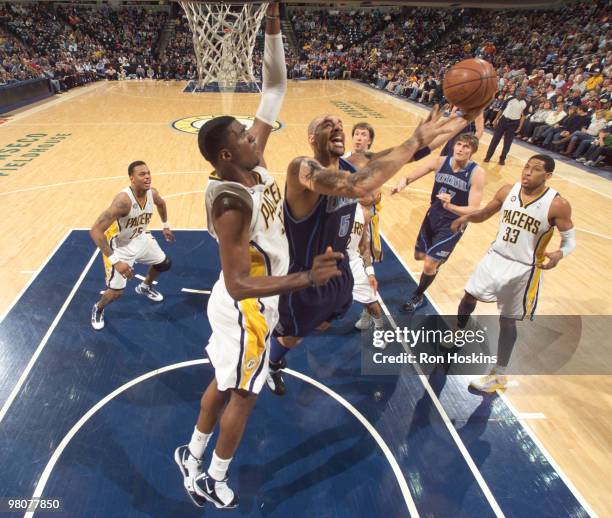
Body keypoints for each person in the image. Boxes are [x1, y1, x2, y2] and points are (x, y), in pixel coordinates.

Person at [172, 5, 340, 509]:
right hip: (247, 308)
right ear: (227, 155)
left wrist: (271, 27)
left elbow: (274, 89)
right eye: (246, 138)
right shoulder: (230, 203)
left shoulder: (250, 164)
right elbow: (241, 282)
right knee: (243, 396)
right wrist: (305, 278)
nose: (255, 135)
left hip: (241, 304)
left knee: (222, 382)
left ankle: (193, 453)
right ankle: (214, 478)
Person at [266, 107, 473, 396]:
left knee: (325, 322)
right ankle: (272, 363)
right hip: (306, 277)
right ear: (312, 137)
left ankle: (300, 330)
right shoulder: (302, 169)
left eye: (340, 123)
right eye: (328, 123)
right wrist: (414, 142)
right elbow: (357, 185)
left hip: (340, 272)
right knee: (293, 337)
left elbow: (415, 150)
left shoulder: (356, 161)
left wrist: (470, 114)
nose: (337, 126)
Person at [450, 154, 575, 392]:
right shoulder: (508, 190)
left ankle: (499, 373)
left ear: (547, 176)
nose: (527, 172)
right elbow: (485, 213)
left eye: (536, 169)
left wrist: (560, 254)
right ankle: (458, 332)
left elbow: (570, 241)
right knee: (468, 297)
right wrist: (466, 217)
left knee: (507, 322)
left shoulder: (557, 204)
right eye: (526, 166)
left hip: (523, 269)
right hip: (495, 256)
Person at [391, 133, 486, 311]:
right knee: (420, 256)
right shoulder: (440, 162)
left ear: (472, 151)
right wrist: (403, 182)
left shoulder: (477, 173)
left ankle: (418, 295)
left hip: (454, 223)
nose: (461, 149)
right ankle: (438, 260)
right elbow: (411, 175)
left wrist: (451, 207)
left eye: (466, 146)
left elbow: (474, 208)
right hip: (433, 215)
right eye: (459, 144)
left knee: (429, 263)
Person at [89, 160, 175, 330]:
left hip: (140, 237)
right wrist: (116, 261)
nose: (147, 177)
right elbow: (95, 231)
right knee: (116, 293)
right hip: (119, 247)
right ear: (132, 179)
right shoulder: (123, 201)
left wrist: (165, 226)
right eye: (142, 174)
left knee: (164, 263)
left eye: (148, 173)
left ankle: (145, 286)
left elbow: (162, 204)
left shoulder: (153, 193)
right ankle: (98, 308)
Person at [349, 201, 385, 332]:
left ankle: (380, 330)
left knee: (370, 300)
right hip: (330, 263)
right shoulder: (328, 207)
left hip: (352, 262)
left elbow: (364, 247)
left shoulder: (364, 212)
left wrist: (370, 273)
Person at [484, 88, 528, 166]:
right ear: (517, 92)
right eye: (521, 91)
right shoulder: (510, 99)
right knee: (495, 139)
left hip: (514, 123)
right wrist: (495, 120)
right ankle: (488, 156)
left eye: (524, 91)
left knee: (507, 143)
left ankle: (502, 159)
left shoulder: (526, 103)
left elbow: (523, 116)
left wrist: (520, 126)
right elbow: (501, 110)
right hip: (503, 120)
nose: (522, 92)